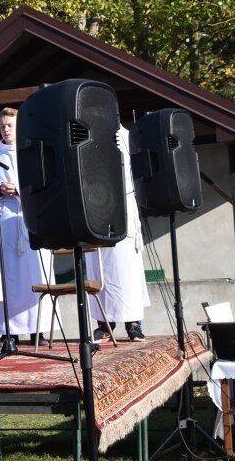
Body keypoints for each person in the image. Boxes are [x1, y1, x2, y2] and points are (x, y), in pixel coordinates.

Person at [0, 107, 54, 346]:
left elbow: (45, 185)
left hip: (31, 221)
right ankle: (7, 330)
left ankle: (36, 329)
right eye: (2, 126)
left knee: (35, 274)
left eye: (10, 125)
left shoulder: (32, 154)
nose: (6, 130)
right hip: (5, 223)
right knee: (6, 276)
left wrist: (18, 189)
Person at [85, 124, 150, 342]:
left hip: (123, 206)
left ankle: (133, 324)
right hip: (98, 207)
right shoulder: (88, 135)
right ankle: (104, 324)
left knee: (127, 269)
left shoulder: (127, 137)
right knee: (101, 268)